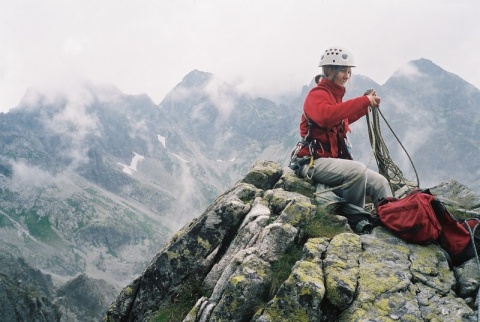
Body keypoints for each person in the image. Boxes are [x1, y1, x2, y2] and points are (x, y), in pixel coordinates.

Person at [291, 45, 392, 209]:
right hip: (311, 162)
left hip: (329, 161)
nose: (347, 76)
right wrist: (363, 101)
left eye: (349, 72)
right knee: (357, 171)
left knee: (381, 182)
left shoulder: (334, 97)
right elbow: (326, 117)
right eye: (343, 71)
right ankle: (357, 218)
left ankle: (390, 218)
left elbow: (342, 118)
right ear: (329, 70)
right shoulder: (316, 95)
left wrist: (365, 107)